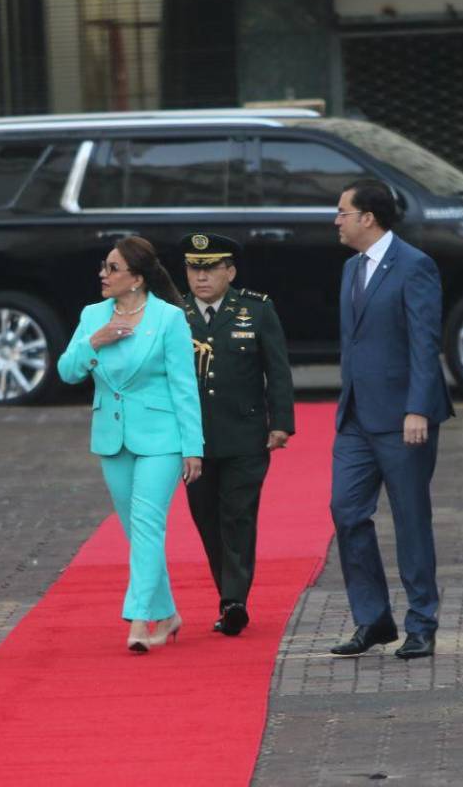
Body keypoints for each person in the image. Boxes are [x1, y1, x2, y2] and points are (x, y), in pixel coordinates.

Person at [57, 236, 203, 653]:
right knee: (136, 532)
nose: (103, 275)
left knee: (147, 524)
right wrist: (94, 342)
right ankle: (170, 613)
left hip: (162, 437)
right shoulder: (92, 316)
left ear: (137, 278)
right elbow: (66, 371)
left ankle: (140, 618)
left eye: (113, 268)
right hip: (112, 437)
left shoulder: (169, 318)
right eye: (104, 267)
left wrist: (193, 447)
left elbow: (184, 386)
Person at [329, 178, 454, 661]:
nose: (336, 220)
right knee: (345, 510)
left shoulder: (415, 266)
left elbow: (425, 341)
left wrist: (418, 407)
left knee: (410, 520)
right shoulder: (349, 269)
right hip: (357, 416)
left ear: (368, 218)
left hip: (405, 417)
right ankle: (373, 619)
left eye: (343, 212)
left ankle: (421, 622)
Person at [180, 232, 294, 637]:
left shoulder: (256, 310)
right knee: (206, 519)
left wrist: (280, 421)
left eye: (210, 268)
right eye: (195, 268)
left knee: (238, 515)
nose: (201, 277)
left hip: (245, 435)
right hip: (193, 440)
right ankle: (226, 592)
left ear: (230, 270)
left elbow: (276, 369)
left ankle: (234, 600)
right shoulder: (175, 315)